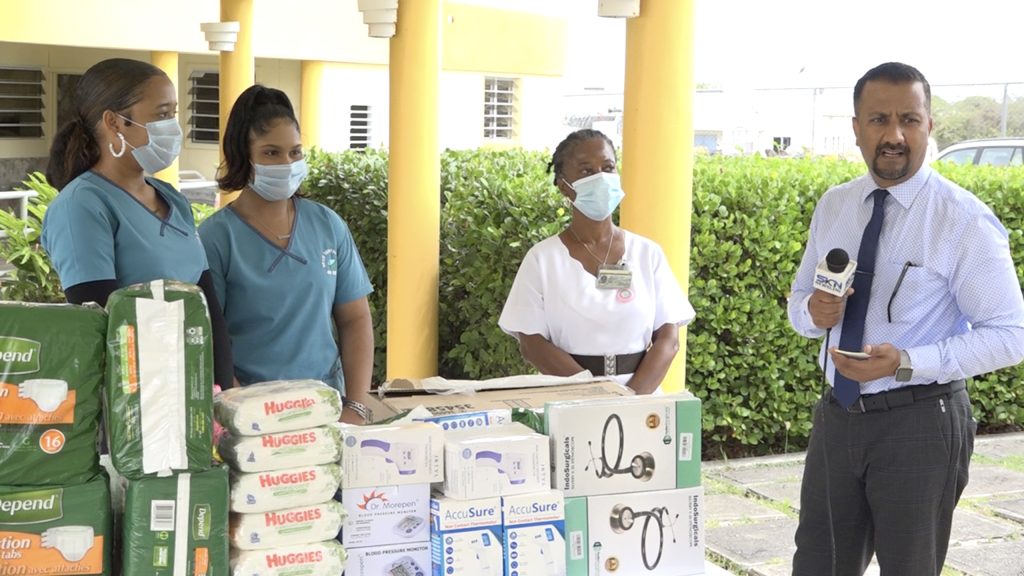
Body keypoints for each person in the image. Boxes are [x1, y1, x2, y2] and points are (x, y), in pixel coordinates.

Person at [787, 62, 1024, 575]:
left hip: (920, 423)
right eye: (878, 120)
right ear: (856, 128)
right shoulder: (835, 206)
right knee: (818, 566)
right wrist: (813, 311)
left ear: (929, 125)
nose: (894, 135)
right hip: (837, 420)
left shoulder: (963, 220)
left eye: (909, 120)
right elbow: (799, 301)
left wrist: (908, 362)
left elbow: (1011, 335)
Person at [41, 57, 233, 390]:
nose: (172, 128)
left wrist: (223, 391)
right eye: (161, 115)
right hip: (133, 399)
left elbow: (208, 308)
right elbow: (101, 324)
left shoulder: (172, 199)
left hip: (192, 388)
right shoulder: (82, 205)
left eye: (173, 114)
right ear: (114, 122)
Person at [198, 85, 374, 424]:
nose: (286, 164)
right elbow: (207, 340)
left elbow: (355, 319)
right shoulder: (216, 238)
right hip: (251, 417)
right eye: (271, 153)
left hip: (327, 411)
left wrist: (356, 405)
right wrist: (239, 412)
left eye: (295, 152)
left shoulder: (327, 225)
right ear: (242, 157)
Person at [498, 128, 695, 393]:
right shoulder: (542, 260)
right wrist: (597, 394)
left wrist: (629, 400)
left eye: (608, 167)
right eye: (586, 171)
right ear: (564, 186)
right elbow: (532, 343)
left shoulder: (648, 254)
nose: (600, 178)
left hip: (642, 400)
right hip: (571, 399)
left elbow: (668, 339)